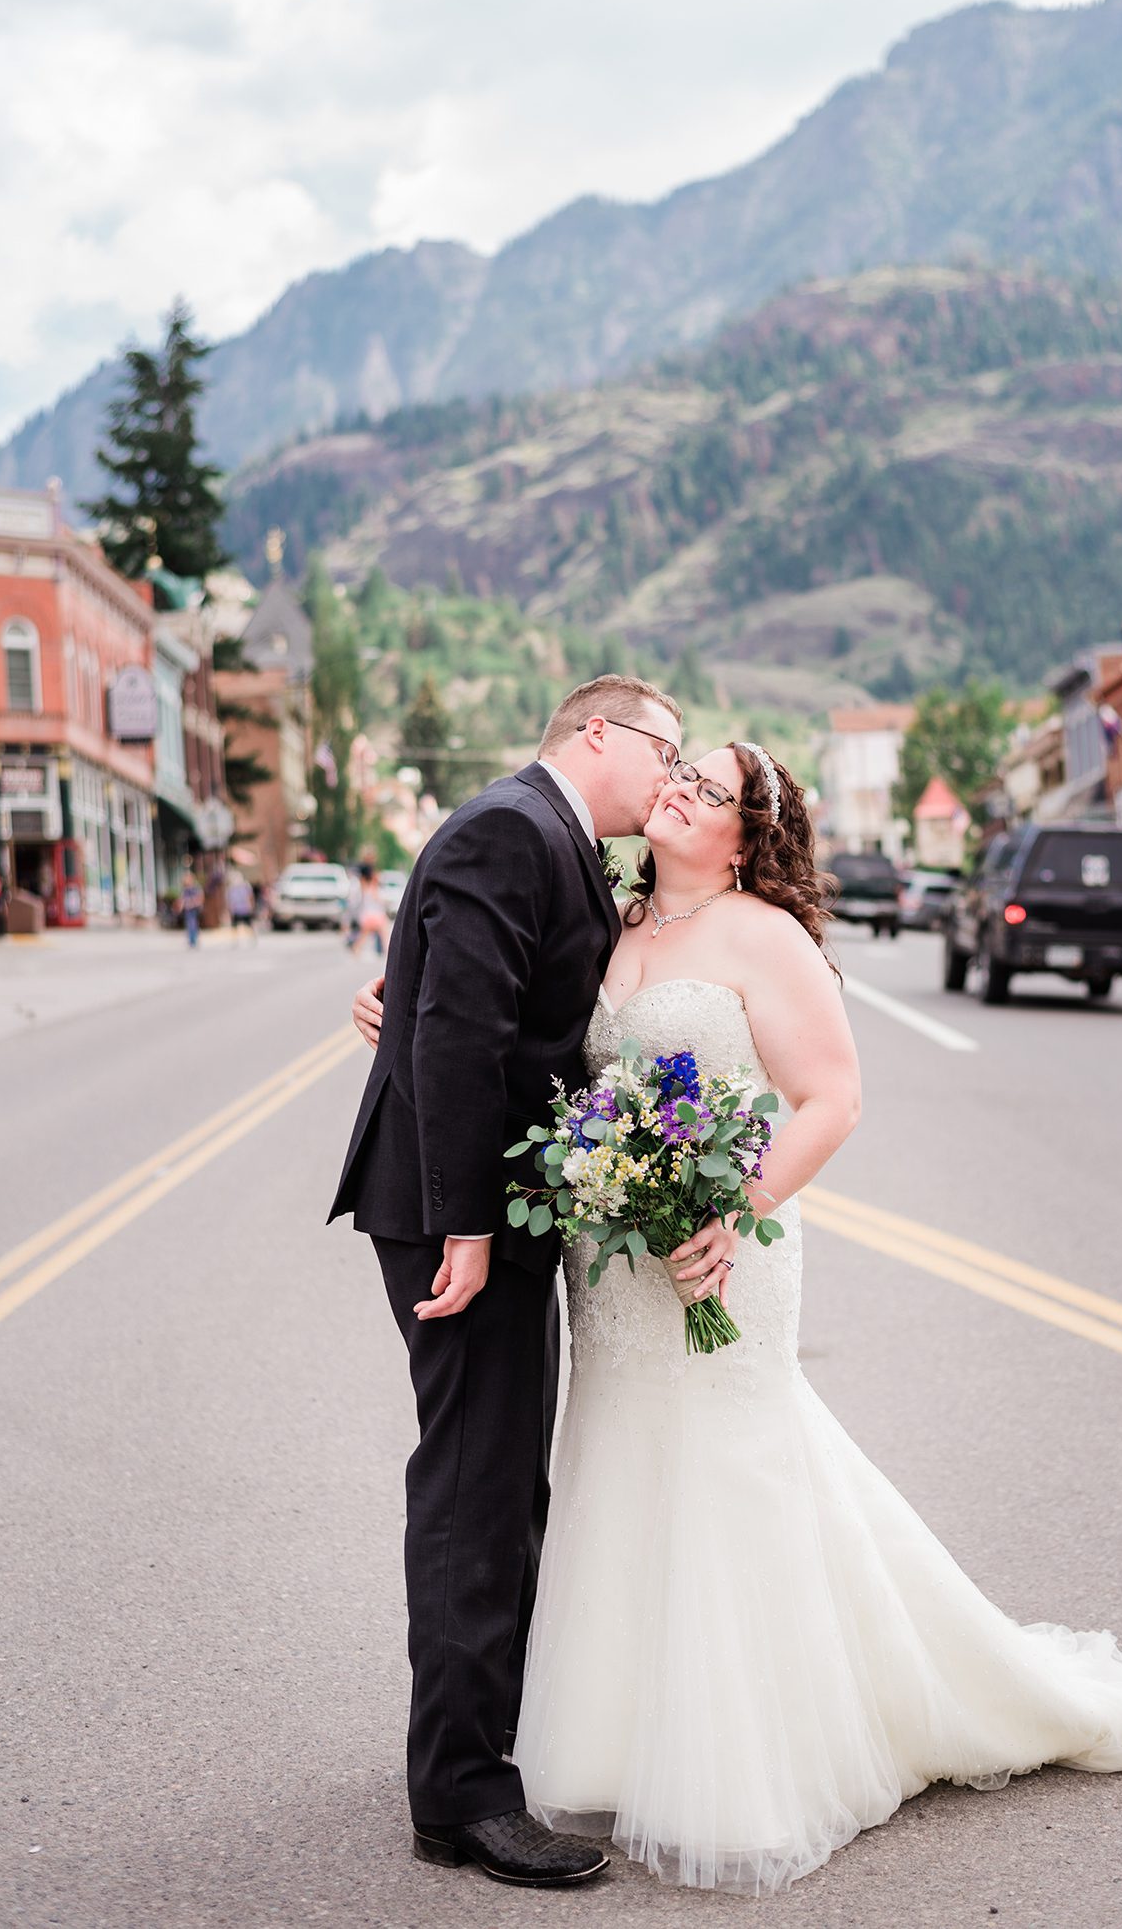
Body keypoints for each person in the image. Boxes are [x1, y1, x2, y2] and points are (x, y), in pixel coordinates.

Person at [352, 738, 1122, 1896]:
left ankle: (756, 1746)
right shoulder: (610, 923)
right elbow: (511, 1022)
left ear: (746, 836)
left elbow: (834, 1095)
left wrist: (738, 1207)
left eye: (707, 792)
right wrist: (403, 996)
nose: (677, 792)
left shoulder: (764, 936)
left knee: (732, 1471)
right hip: (620, 1264)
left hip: (723, 1245)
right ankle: (633, 1731)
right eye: (675, 775)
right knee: (626, 1470)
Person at [330, 674, 692, 1890]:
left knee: (499, 1481)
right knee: (476, 1487)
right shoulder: (512, 825)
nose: (672, 777)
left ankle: (475, 1738)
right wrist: (470, 1230)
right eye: (665, 750)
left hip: (484, 1209)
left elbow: (473, 1001)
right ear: (600, 733)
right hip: (455, 1219)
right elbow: (463, 1035)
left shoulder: (558, 843)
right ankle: (461, 1799)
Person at [225, 868, 257, 943]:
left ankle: (253, 937)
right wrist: (230, 910)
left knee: (249, 924)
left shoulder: (245, 886)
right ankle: (235, 940)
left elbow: (250, 897)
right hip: (236, 910)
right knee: (235, 926)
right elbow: (229, 901)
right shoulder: (230, 889)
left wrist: (251, 906)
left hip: (245, 909)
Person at [179, 867, 205, 948]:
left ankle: (194, 939)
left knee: (193, 923)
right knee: (189, 924)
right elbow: (182, 899)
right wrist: (181, 906)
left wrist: (193, 903)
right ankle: (191, 940)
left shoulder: (196, 888)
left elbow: (200, 897)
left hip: (194, 909)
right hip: (187, 909)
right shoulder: (185, 890)